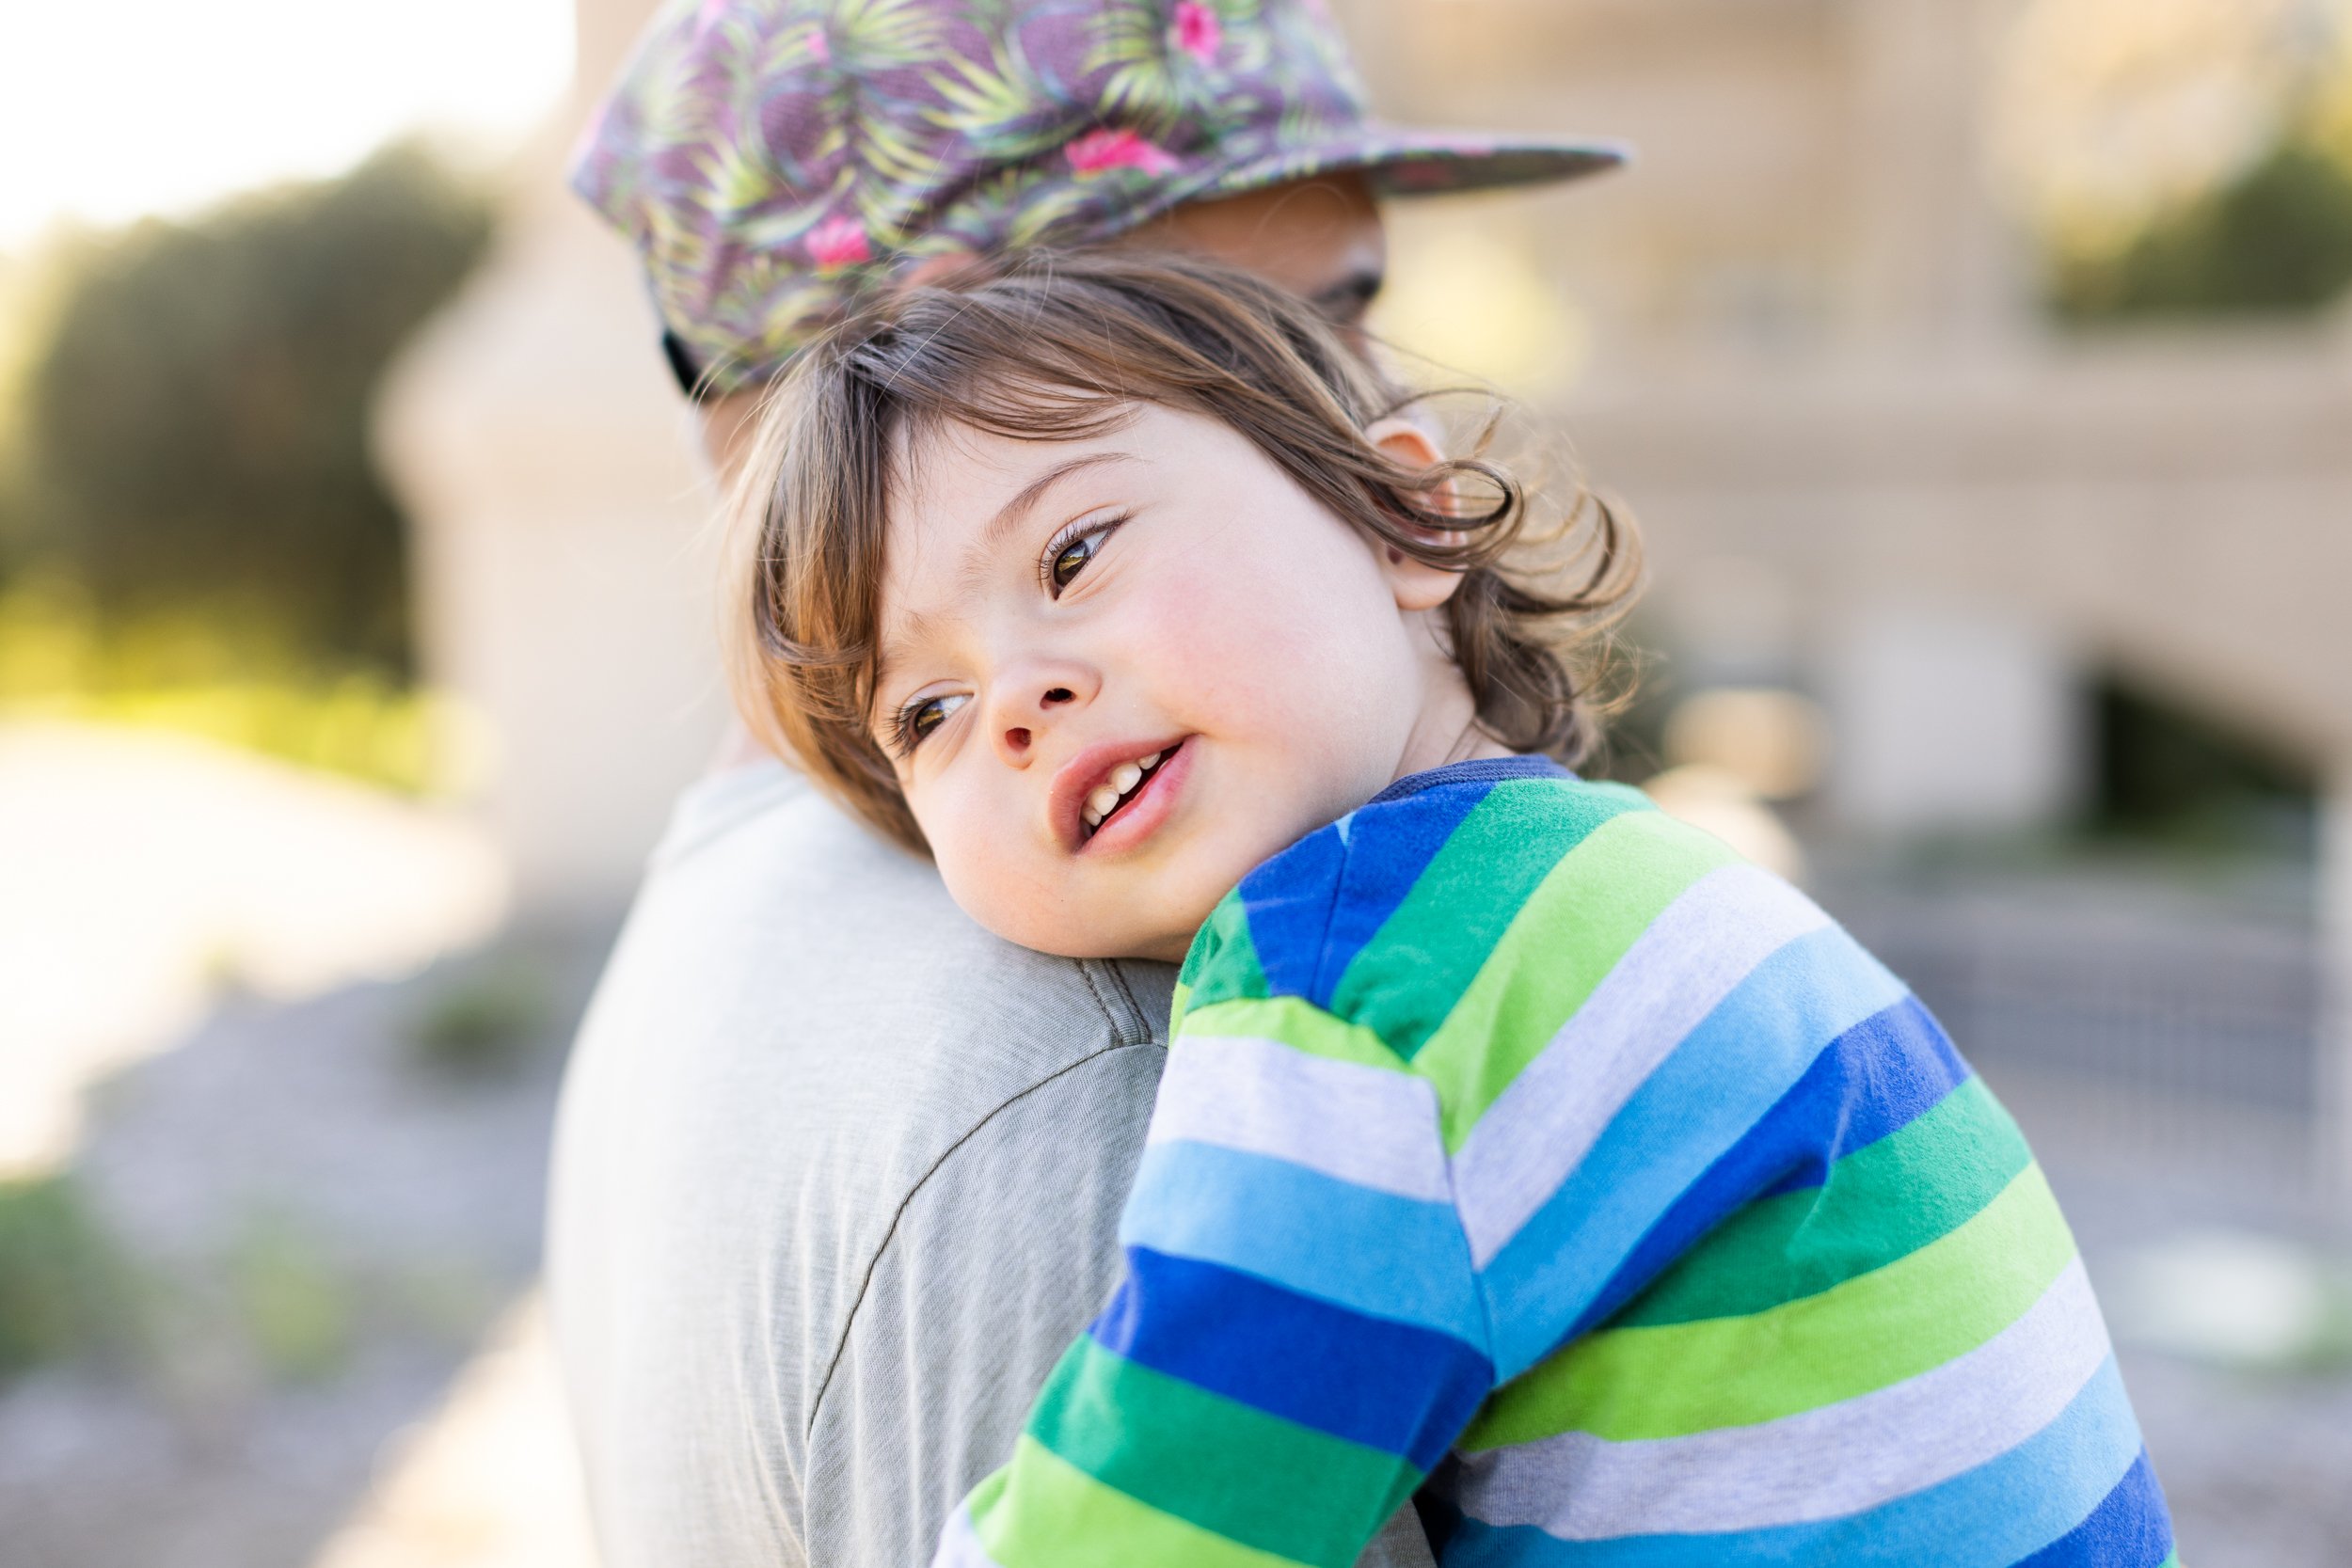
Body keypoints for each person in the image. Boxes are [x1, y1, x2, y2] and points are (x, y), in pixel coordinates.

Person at [721, 250, 2178, 1568]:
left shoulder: (1376, 984)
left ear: (1404, 517)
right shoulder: (1585, 872)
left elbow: (1159, 1518)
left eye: (1075, 554)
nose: (1022, 696)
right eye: (928, 710)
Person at [548, 3, 1624, 1565]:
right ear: (947, 359)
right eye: (1305, 326)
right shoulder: (1159, 1067)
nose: (1382, 415)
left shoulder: (717, 911)